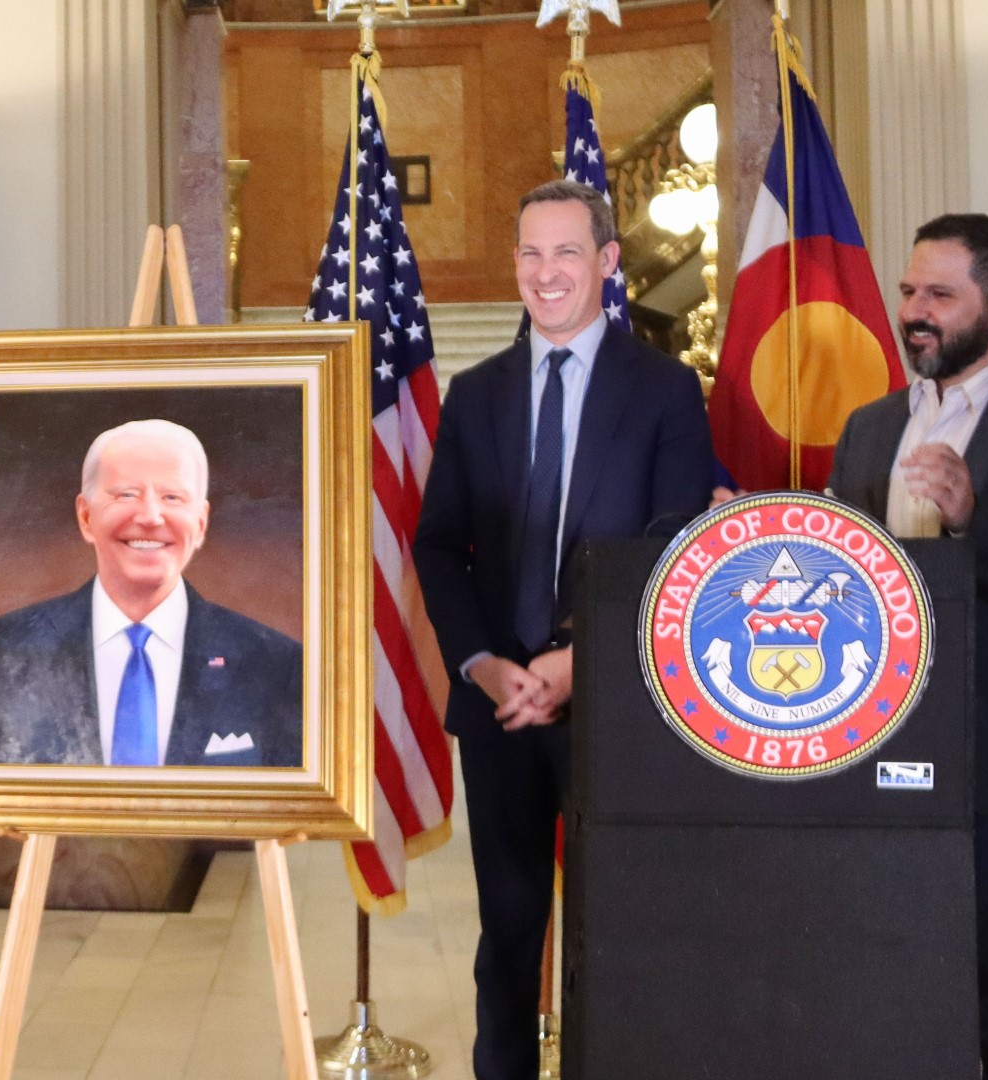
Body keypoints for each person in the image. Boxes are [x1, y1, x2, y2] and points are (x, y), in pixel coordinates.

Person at [411, 179, 714, 1080]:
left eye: (568, 253)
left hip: (615, 710)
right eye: (531, 254)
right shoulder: (474, 394)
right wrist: (483, 666)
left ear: (609, 262)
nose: (547, 274)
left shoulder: (665, 391)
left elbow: (674, 551)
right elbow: (437, 545)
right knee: (506, 938)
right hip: (500, 713)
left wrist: (584, 662)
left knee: (611, 938)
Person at [827, 213, 988, 1079]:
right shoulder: (868, 426)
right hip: (878, 762)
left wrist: (975, 519)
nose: (914, 311)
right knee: (888, 991)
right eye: (908, 291)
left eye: (939, 295)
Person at [0, 418, 303, 768]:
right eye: (126, 494)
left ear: (201, 522)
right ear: (86, 517)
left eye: (172, 497)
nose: (150, 516)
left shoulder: (276, 666)